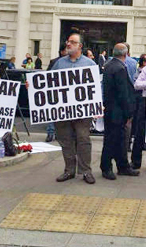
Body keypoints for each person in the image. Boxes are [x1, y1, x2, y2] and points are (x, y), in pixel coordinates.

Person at [50, 32, 97, 184]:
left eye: (72, 42)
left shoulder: (89, 64)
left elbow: (96, 87)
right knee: (66, 140)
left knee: (83, 139)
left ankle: (86, 171)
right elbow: (48, 83)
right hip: (63, 111)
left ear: (80, 46)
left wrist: (97, 105)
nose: (68, 44)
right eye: (68, 41)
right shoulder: (59, 63)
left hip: (82, 112)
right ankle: (69, 170)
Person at [100, 43, 140, 180]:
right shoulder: (120, 68)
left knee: (119, 139)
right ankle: (106, 167)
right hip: (117, 111)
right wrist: (129, 112)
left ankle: (123, 165)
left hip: (111, 109)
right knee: (113, 140)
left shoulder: (109, 65)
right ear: (126, 54)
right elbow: (123, 93)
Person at [45, 44, 68, 142]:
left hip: (66, 92)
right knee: (54, 113)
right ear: (62, 51)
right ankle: (51, 133)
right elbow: (47, 76)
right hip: (55, 91)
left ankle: (58, 133)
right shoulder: (55, 62)